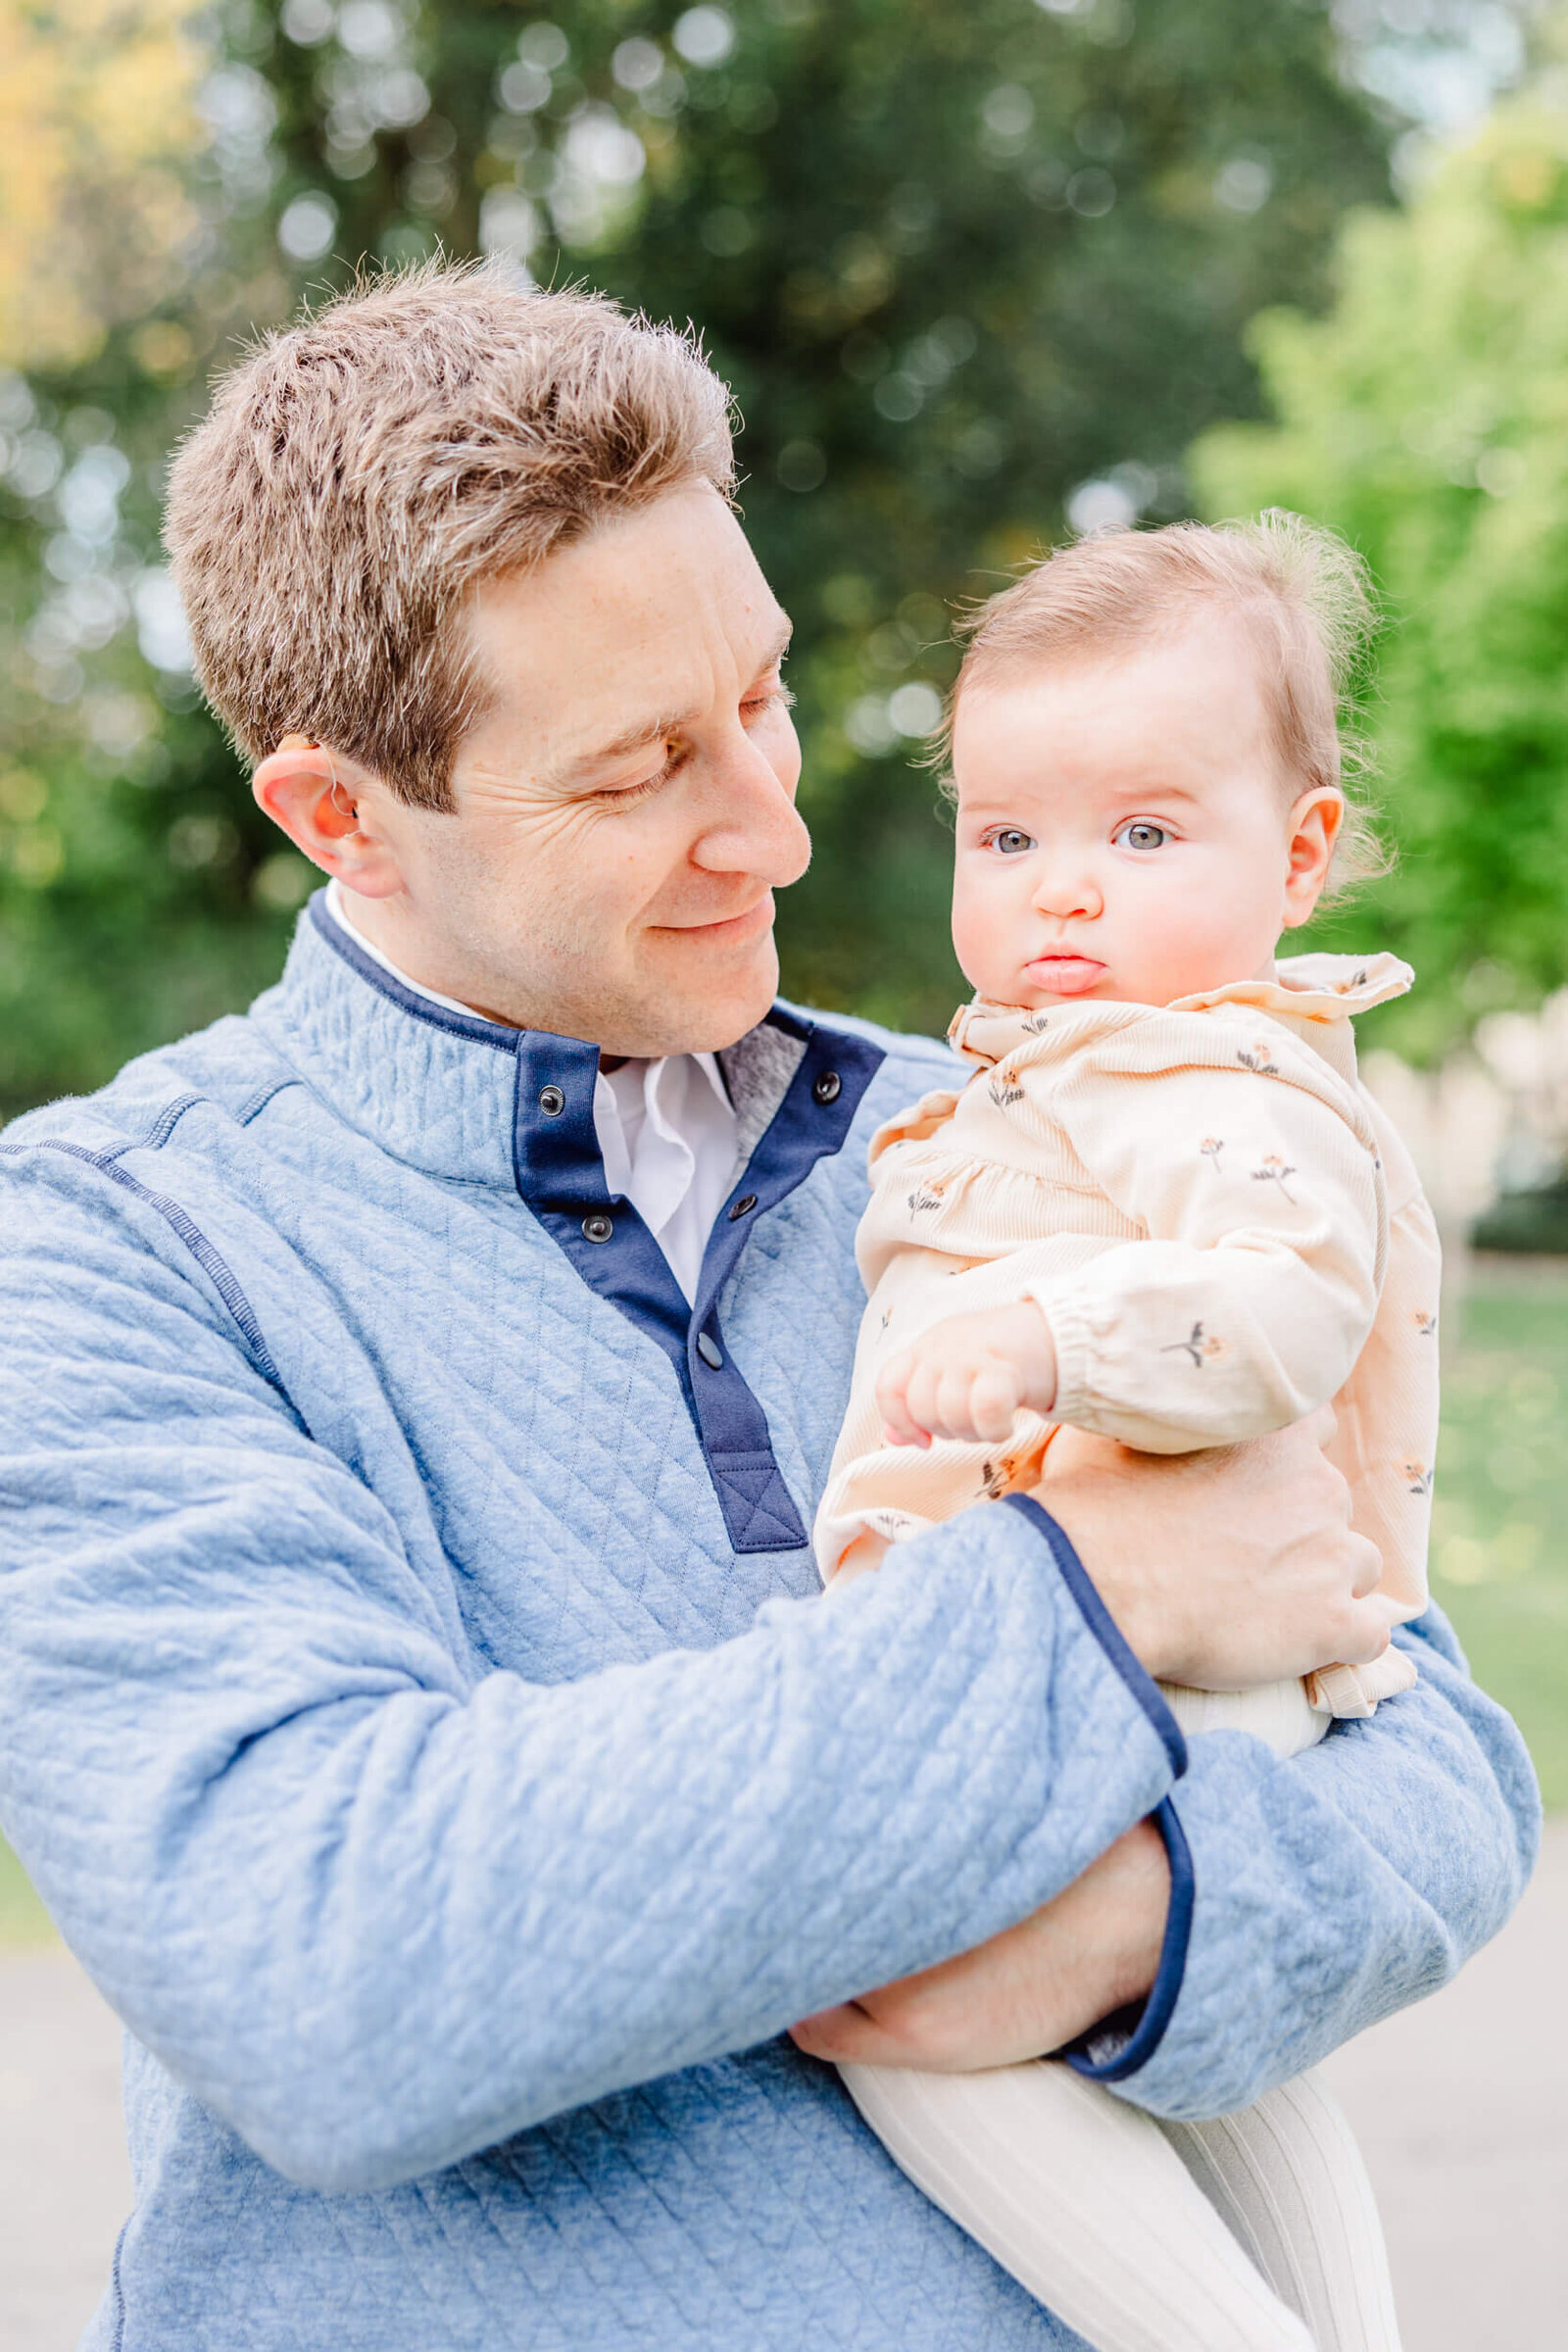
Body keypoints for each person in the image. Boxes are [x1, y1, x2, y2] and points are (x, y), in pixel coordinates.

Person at [0, 266, 1537, 2352]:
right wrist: (1071, 1599)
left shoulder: (991, 1118)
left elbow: (1430, 1757)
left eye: (765, 696)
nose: (779, 821)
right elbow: (325, 1960)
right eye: (641, 769)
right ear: (339, 816)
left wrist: (1137, 1933)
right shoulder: (104, 1251)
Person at [815, 515, 1440, 2352]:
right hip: (1142, 1652)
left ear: (1301, 853)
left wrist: (1046, 1335)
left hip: (1154, 1652)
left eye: (1143, 835)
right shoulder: (1078, 1060)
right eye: (1006, 837)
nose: (1060, 893)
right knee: (1205, 2055)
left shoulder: (1212, 1072)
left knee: (915, 2020)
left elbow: (1280, 1307)